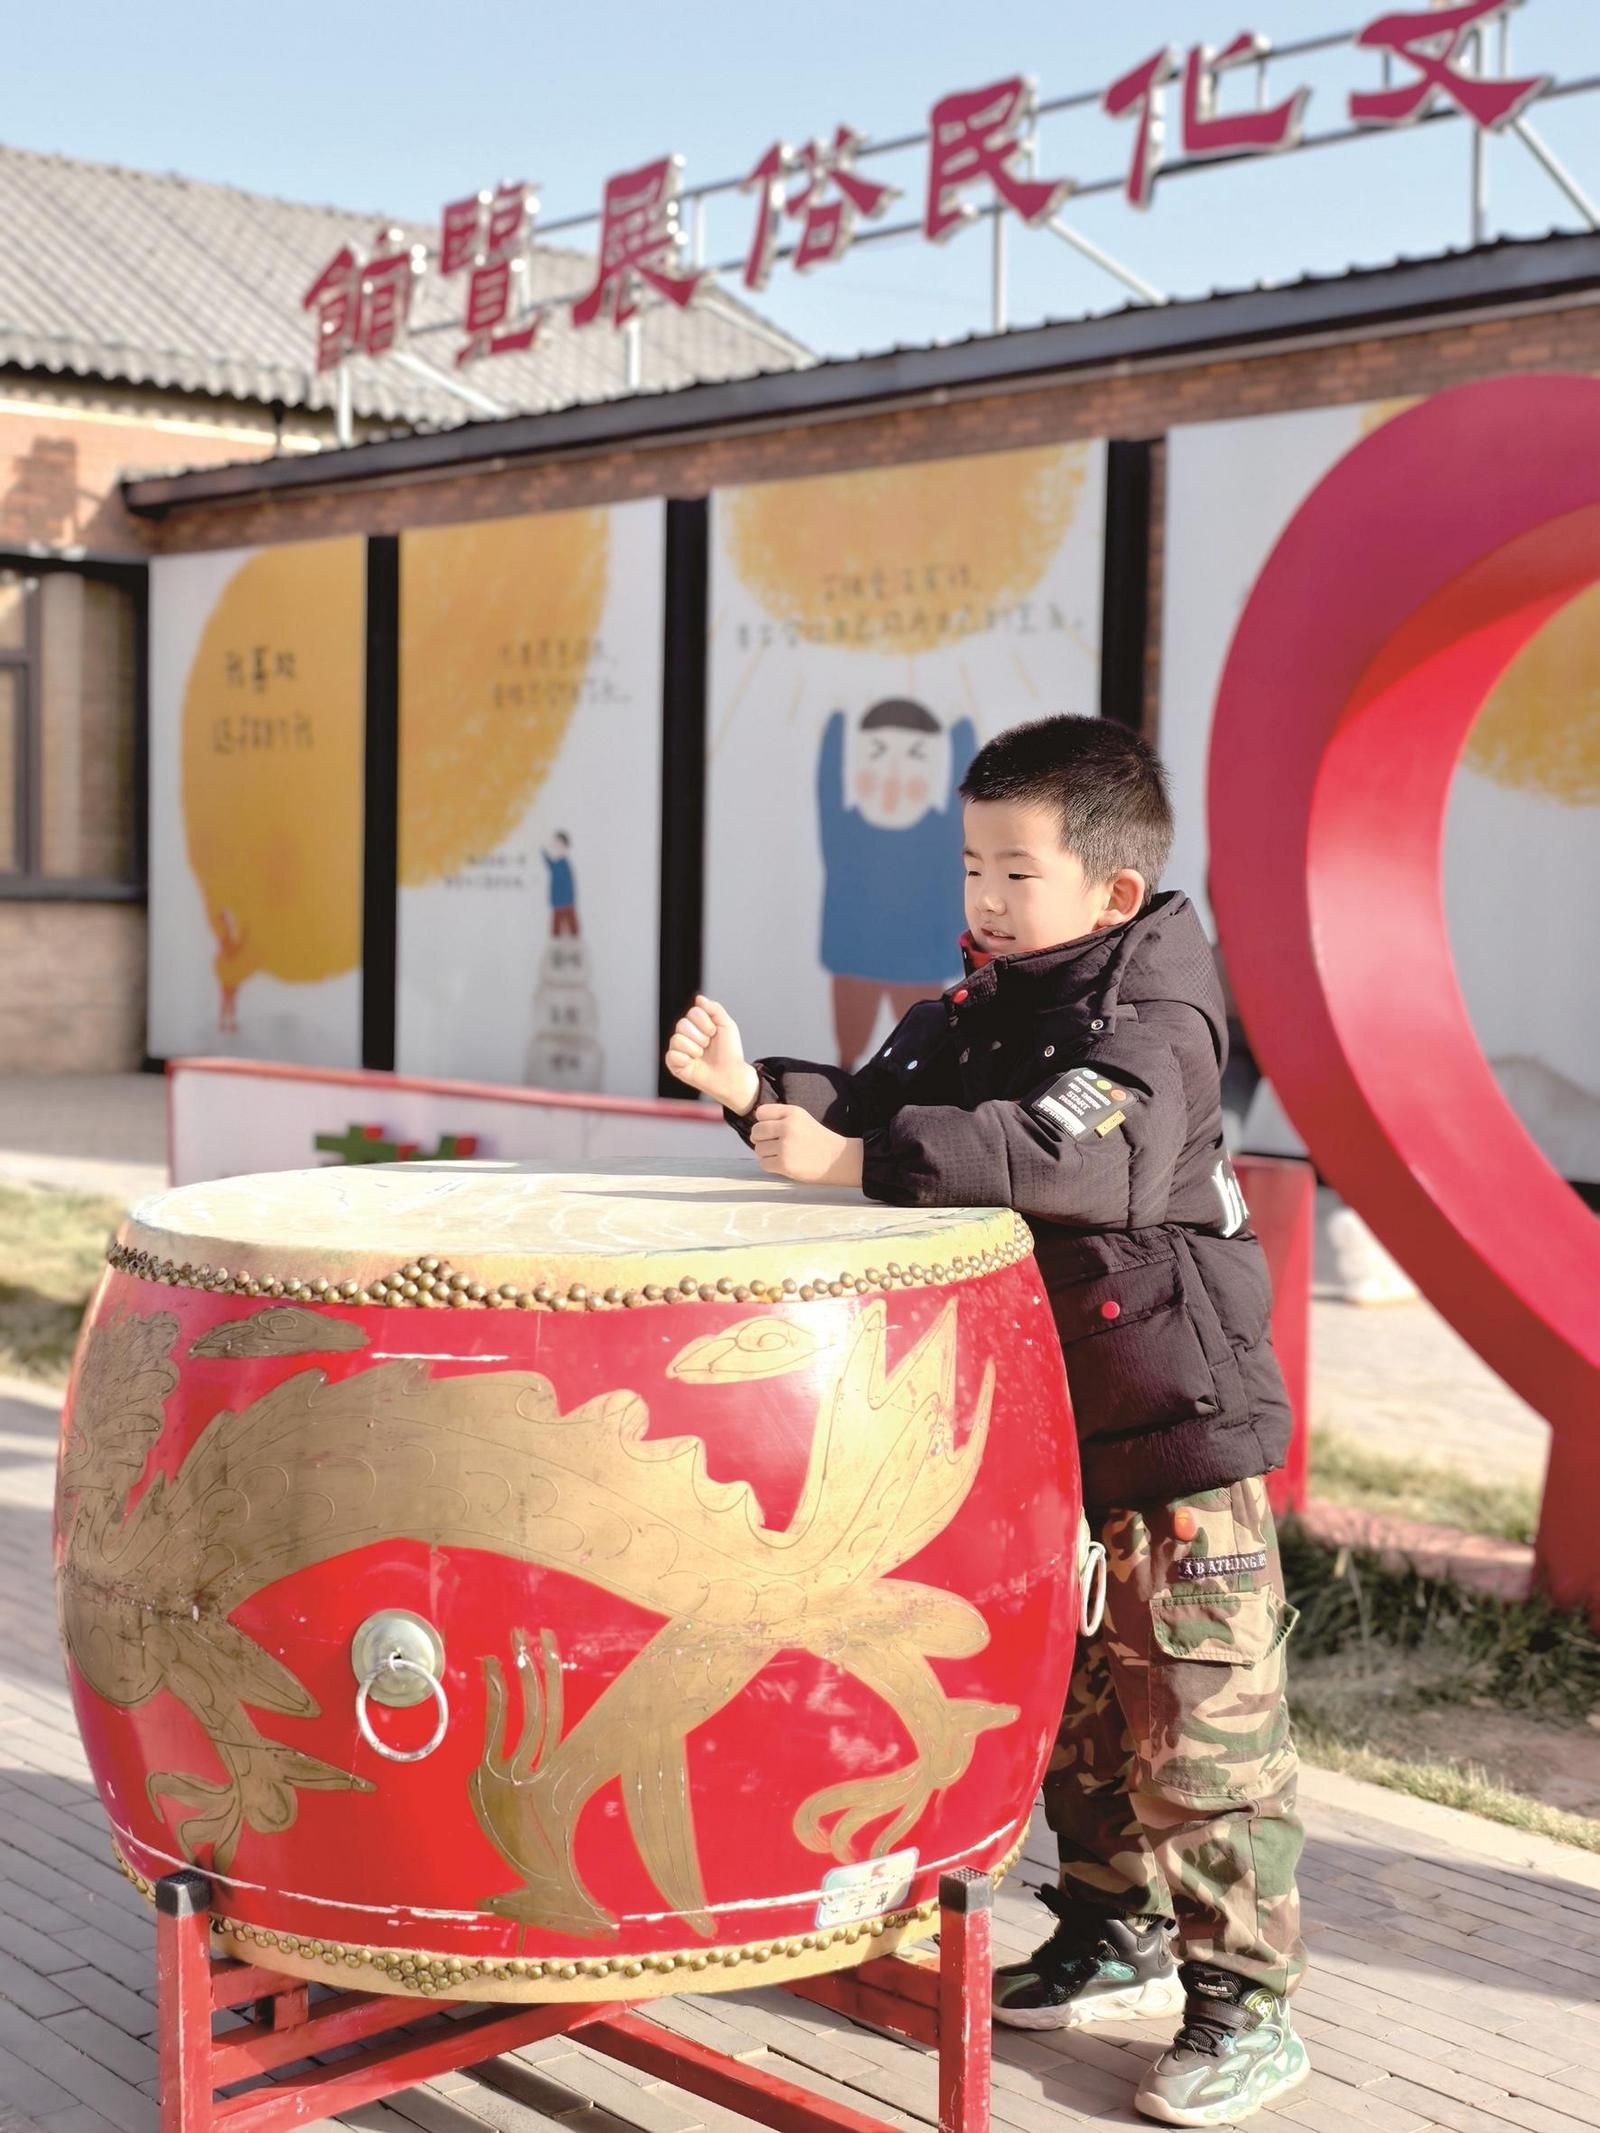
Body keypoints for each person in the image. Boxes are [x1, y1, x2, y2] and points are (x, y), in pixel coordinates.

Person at [665, 714, 1307, 2128]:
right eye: (972, 867)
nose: (987, 898)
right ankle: (1112, 1931)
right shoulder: (987, 1005)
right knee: (1079, 1711)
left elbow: (1074, 1155)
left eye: (1018, 873)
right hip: (1053, 1435)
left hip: (1177, 1428)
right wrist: (756, 1094)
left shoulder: (1155, 1021)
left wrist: (854, 1161)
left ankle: (1247, 2004)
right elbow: (873, 1105)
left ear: (1113, 890)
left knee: (1200, 1724)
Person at [816, 701, 977, 1067]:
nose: (893, 775)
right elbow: (828, 788)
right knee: (848, 1049)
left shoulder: (943, 832)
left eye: (914, 757)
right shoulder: (844, 830)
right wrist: (836, 731)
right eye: (877, 754)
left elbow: (963, 800)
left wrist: (961, 737)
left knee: (926, 1056)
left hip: (918, 964)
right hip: (854, 960)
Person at [543, 832, 579, 938]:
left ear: (565, 847)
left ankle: (572, 938)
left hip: (565, 900)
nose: (556, 848)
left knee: (569, 924)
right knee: (557, 924)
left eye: (559, 845)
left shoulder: (563, 863)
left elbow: (554, 869)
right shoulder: (559, 863)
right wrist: (544, 855)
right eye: (554, 845)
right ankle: (560, 938)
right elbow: (551, 866)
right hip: (558, 899)